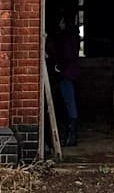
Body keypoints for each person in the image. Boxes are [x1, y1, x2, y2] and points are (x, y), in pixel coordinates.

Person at [46, 15, 80, 146]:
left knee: (69, 103)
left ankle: (71, 136)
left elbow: (66, 55)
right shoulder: (72, 36)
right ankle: (70, 134)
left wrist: (58, 66)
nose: (59, 24)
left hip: (66, 74)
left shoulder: (65, 38)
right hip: (71, 73)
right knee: (69, 102)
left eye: (60, 21)